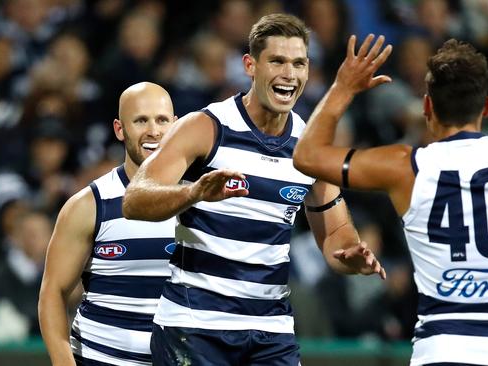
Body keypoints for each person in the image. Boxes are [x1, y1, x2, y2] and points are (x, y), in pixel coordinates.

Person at [293, 15, 488, 366]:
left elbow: (307, 155)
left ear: (427, 108)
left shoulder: (403, 167)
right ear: (487, 108)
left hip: (441, 350)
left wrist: (343, 88)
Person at [122, 13, 385, 366]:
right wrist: (193, 193)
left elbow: (335, 232)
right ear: (250, 65)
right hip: (194, 326)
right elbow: (135, 200)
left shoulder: (309, 148)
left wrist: (351, 255)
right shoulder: (205, 127)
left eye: (298, 64)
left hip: (270, 331)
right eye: (276, 61)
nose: (288, 74)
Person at [38, 82, 241, 366]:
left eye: (161, 120)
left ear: (176, 124)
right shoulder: (89, 205)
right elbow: (53, 294)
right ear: (120, 129)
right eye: (141, 120)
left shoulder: (204, 195)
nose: (153, 131)